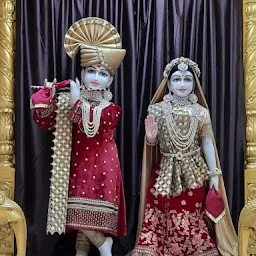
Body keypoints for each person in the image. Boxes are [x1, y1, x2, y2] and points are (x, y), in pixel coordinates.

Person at [30, 17, 127, 256]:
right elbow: (43, 122)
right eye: (91, 71)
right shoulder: (67, 99)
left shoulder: (111, 109)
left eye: (103, 73)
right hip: (76, 166)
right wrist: (48, 95)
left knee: (88, 220)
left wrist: (75, 99)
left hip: (103, 167)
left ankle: (106, 247)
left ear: (111, 80)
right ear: (82, 74)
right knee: (77, 219)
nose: (96, 77)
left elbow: (88, 123)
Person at [131, 57, 238, 256]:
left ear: (194, 84)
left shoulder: (201, 113)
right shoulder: (157, 110)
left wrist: (214, 173)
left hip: (194, 171)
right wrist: (151, 137)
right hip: (164, 171)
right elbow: (152, 145)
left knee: (192, 212)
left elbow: (207, 142)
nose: (182, 84)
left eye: (187, 79)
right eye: (177, 79)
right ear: (169, 84)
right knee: (161, 212)